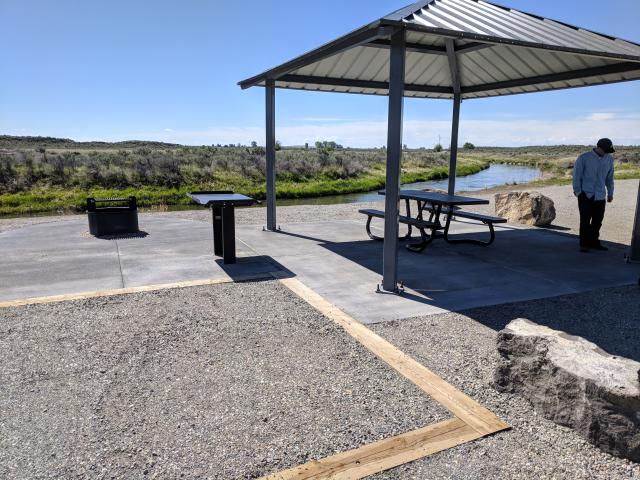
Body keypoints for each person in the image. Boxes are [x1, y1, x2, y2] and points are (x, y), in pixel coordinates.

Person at [572, 138, 615, 252]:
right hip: (586, 194)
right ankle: (584, 244)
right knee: (585, 221)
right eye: (605, 150)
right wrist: (578, 192)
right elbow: (577, 176)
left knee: (597, 221)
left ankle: (594, 242)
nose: (606, 153)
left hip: (600, 196)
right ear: (599, 147)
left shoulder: (609, 160)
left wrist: (610, 193)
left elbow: (609, 178)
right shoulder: (584, 158)